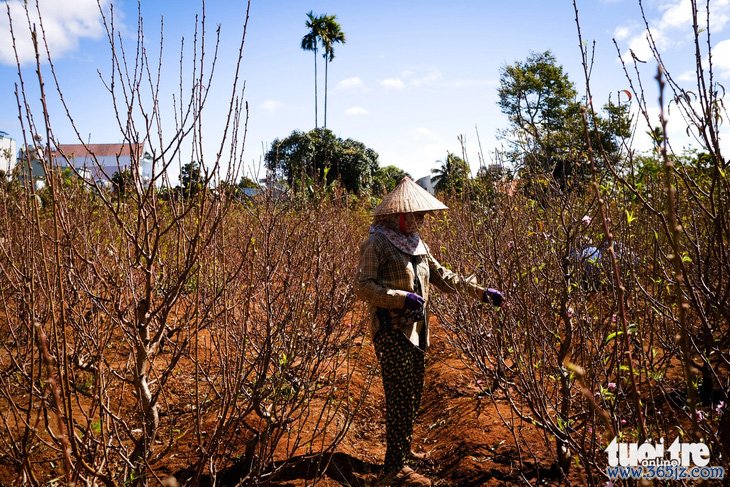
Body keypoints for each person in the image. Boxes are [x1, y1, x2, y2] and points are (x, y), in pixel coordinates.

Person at [356, 177, 503, 486]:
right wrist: (399, 298)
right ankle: (393, 470)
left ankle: (404, 451)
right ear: (397, 215)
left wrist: (480, 292)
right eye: (415, 215)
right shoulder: (377, 242)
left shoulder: (416, 243)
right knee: (398, 397)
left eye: (422, 215)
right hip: (392, 330)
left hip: (418, 331)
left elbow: (442, 276)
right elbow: (363, 285)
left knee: (412, 395)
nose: (420, 220)